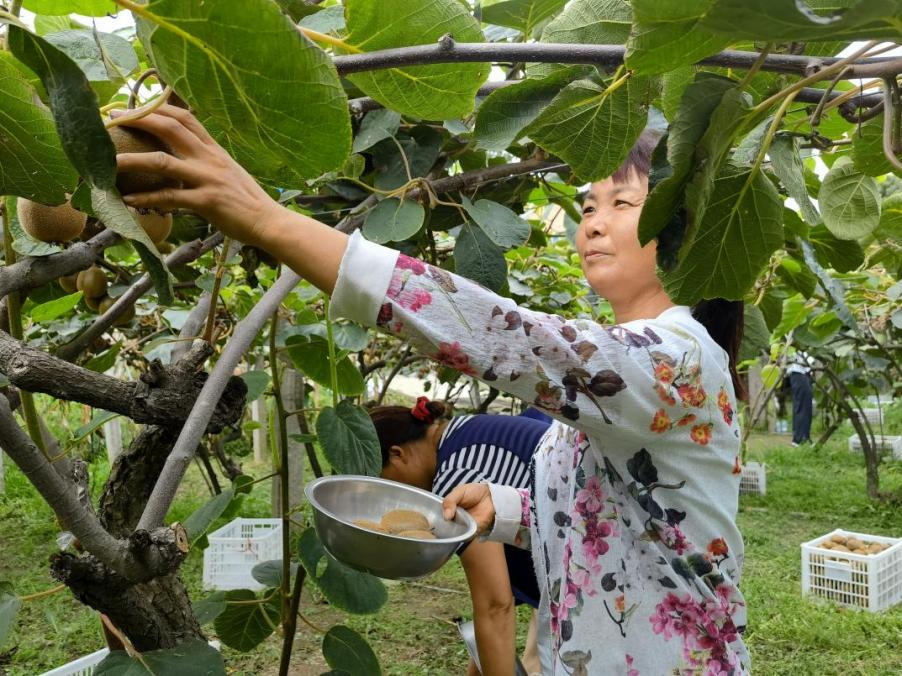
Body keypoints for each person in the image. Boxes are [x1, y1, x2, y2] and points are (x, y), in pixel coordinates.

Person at [114, 105, 749, 674]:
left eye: (621, 205)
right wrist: (507, 511)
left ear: (682, 230)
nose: (592, 224)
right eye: (587, 206)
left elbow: (502, 335)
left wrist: (264, 219)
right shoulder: (626, 373)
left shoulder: (676, 359)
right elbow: (626, 517)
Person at [371, 398, 549, 675]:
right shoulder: (462, 432)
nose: (394, 501)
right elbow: (500, 585)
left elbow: (495, 606)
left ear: (397, 454)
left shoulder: (455, 478)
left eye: (386, 485)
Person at [786, 349, 813, 446]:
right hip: (798, 373)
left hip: (804, 373)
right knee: (802, 407)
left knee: (806, 407)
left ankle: (804, 437)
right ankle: (799, 439)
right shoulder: (796, 341)